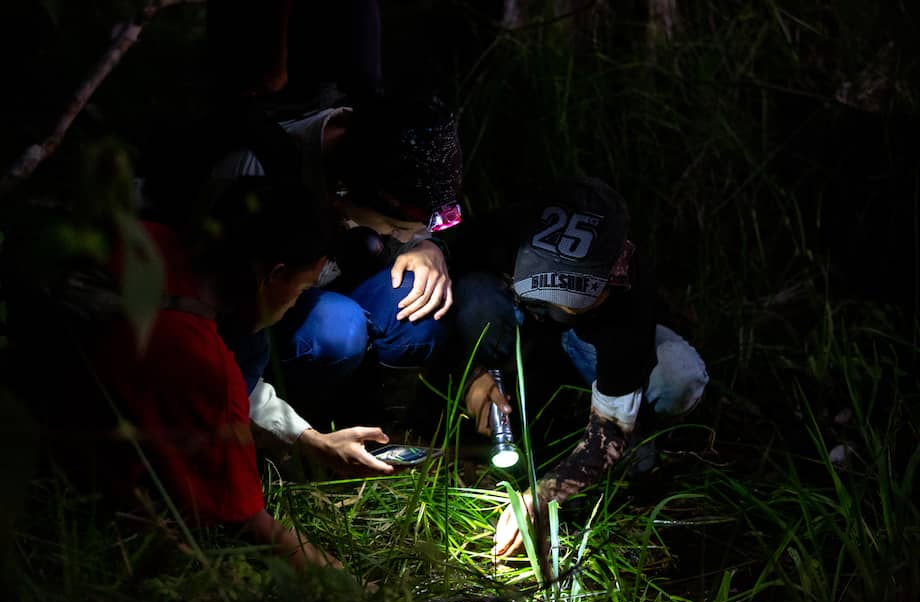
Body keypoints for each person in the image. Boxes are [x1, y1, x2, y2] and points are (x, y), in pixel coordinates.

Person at [89, 177, 387, 569]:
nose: (295, 304)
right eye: (300, 290)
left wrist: (314, 442)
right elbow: (255, 527)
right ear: (273, 274)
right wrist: (359, 591)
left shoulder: (147, 238)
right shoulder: (204, 366)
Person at [448, 177, 710, 557]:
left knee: (676, 380)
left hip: (587, 348)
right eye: (542, 283)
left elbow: (608, 436)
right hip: (520, 334)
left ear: (615, 271)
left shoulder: (629, 298)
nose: (560, 302)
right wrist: (470, 376)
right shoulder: (504, 231)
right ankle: (509, 398)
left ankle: (636, 423)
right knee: (473, 299)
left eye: (577, 293)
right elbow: (433, 305)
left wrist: (539, 496)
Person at [208, 93, 462, 433]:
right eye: (397, 229)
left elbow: (409, 212)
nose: (401, 238)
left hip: (330, 280)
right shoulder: (256, 174)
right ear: (340, 195)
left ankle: (383, 427)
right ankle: (303, 429)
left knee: (418, 302)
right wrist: (299, 438)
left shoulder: (389, 147)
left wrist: (425, 245)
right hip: (259, 324)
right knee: (337, 329)